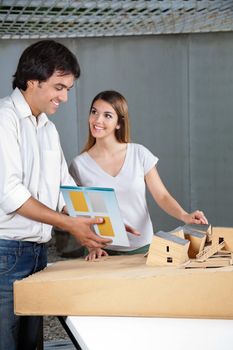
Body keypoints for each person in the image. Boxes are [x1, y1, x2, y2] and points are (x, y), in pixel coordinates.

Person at [0, 40, 112, 350]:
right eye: (59, 87)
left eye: (68, 89)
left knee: (31, 344)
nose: (64, 97)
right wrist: (70, 225)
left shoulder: (47, 128)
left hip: (37, 253)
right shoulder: (3, 120)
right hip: (5, 254)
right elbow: (12, 195)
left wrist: (104, 222)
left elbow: (66, 187)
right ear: (32, 81)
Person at [69, 90, 208, 261]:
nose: (98, 120)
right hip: (100, 251)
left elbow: (162, 196)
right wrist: (91, 245)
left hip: (141, 248)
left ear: (119, 123)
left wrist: (185, 215)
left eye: (107, 115)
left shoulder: (139, 154)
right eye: (94, 112)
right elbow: (77, 213)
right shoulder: (79, 165)